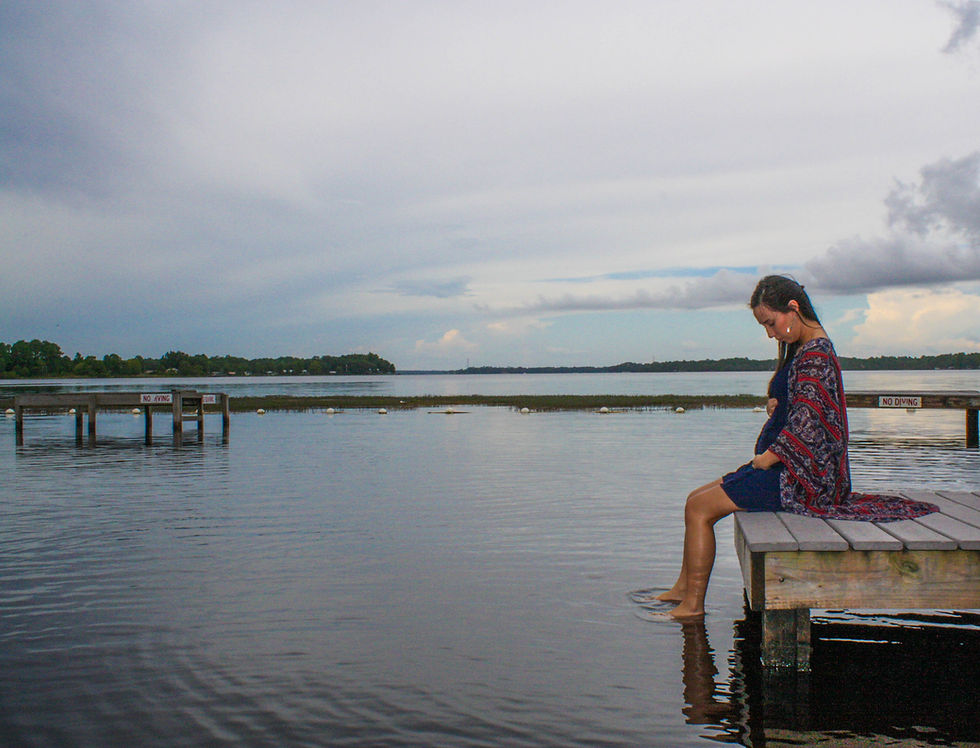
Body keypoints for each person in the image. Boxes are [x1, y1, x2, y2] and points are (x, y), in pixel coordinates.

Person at [653, 275, 937, 620]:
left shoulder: (816, 354)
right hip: (789, 470)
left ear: (793, 308)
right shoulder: (805, 350)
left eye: (770, 323)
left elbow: (809, 421)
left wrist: (768, 458)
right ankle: (683, 589)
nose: (770, 333)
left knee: (700, 509)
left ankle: (693, 607)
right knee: (693, 500)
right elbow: (802, 404)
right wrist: (777, 405)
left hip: (800, 479)